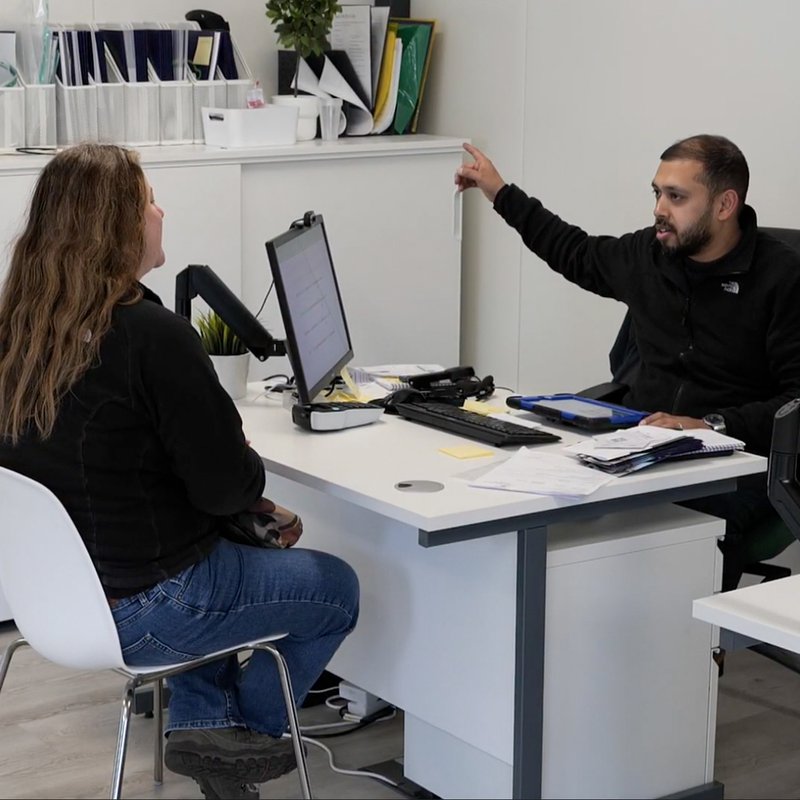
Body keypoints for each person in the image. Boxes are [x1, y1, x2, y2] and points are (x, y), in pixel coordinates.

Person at [0, 143, 359, 800]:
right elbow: (227, 487)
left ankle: (204, 721)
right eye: (148, 202)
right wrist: (242, 465)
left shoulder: (22, 329)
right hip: (150, 607)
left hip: (54, 601)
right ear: (117, 228)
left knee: (219, 545)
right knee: (336, 589)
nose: (160, 212)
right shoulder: (152, 336)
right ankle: (244, 737)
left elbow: (123, 466)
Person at [456, 134, 800, 590]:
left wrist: (710, 425)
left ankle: (681, 633)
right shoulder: (651, 255)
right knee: (536, 505)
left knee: (668, 540)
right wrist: (500, 192)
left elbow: (796, 402)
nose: (659, 209)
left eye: (676, 197)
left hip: (742, 462)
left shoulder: (783, 277)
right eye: (657, 193)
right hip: (643, 445)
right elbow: (574, 251)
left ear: (725, 205)